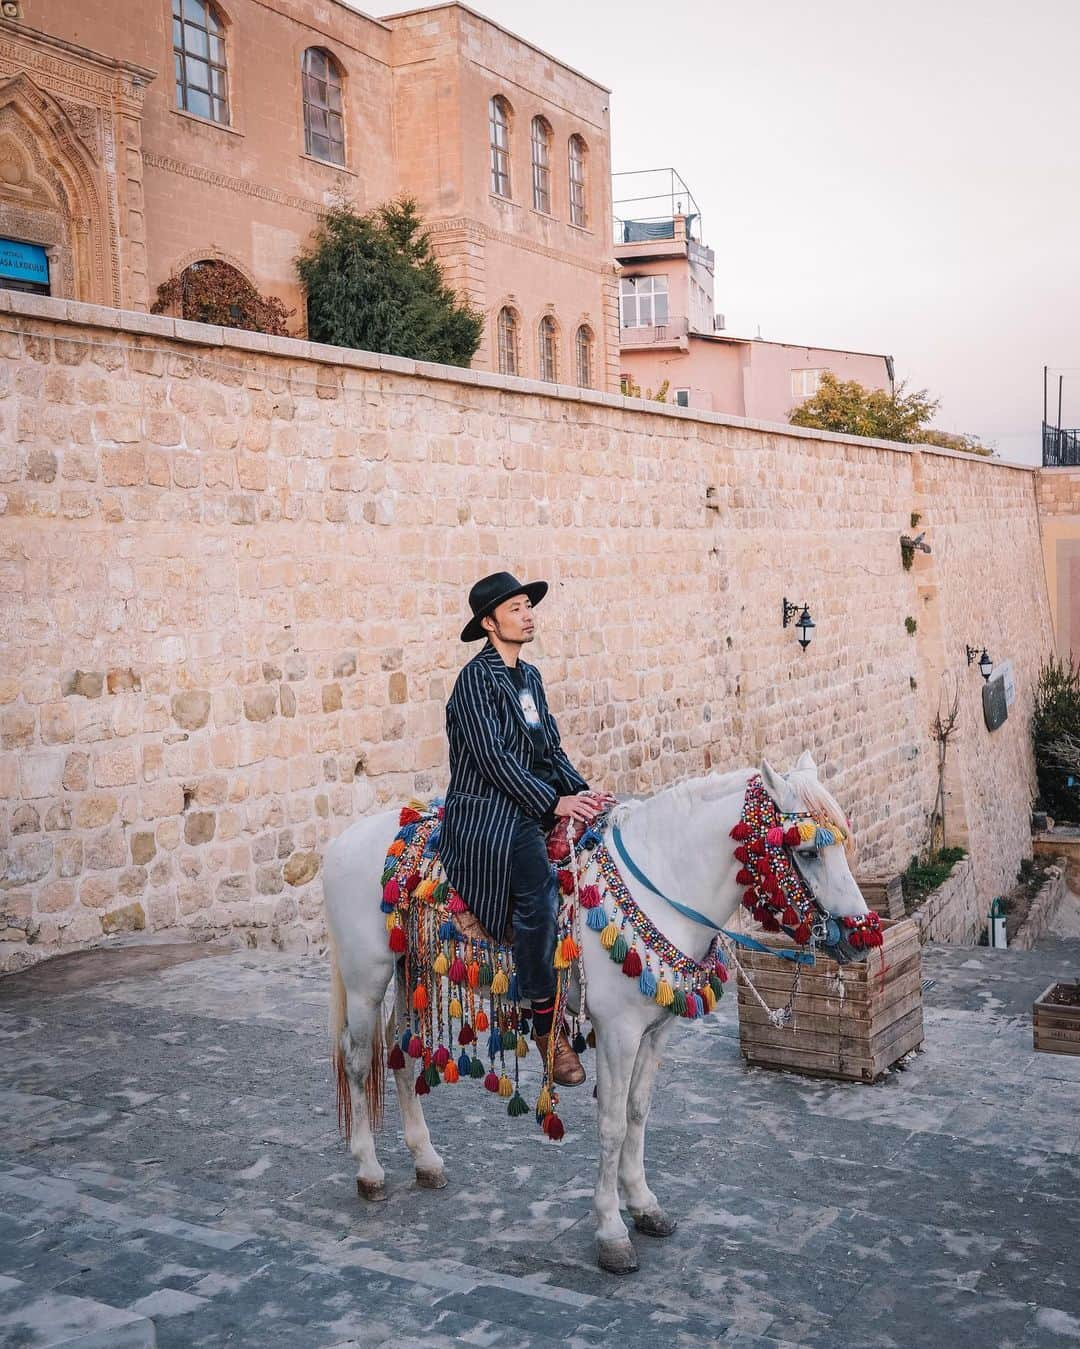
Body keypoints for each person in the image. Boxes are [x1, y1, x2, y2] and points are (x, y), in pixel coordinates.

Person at [440, 571, 613, 1086]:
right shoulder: (474, 682)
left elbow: (550, 750)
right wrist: (554, 802)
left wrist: (584, 796)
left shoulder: (530, 678)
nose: (527, 614)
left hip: (535, 803)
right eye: (515, 609)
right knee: (537, 896)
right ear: (489, 623)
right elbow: (493, 760)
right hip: (491, 813)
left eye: (527, 606)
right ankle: (545, 1026)